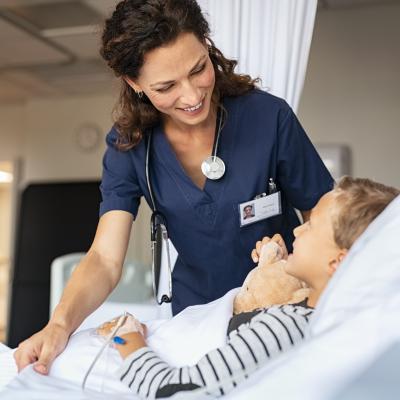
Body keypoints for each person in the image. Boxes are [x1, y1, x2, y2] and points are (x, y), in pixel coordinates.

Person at [14, 0, 333, 374]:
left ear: (207, 43)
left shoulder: (268, 118)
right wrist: (60, 324)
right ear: (135, 84)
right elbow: (104, 258)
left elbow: (324, 215)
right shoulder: (129, 146)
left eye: (198, 69)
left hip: (281, 309)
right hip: (196, 320)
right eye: (166, 86)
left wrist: (327, 290)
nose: (192, 96)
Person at [98, 177, 398, 399]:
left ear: (338, 261)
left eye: (311, 226)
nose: (296, 230)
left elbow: (177, 392)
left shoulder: (286, 326)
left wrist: (127, 338)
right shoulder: (309, 315)